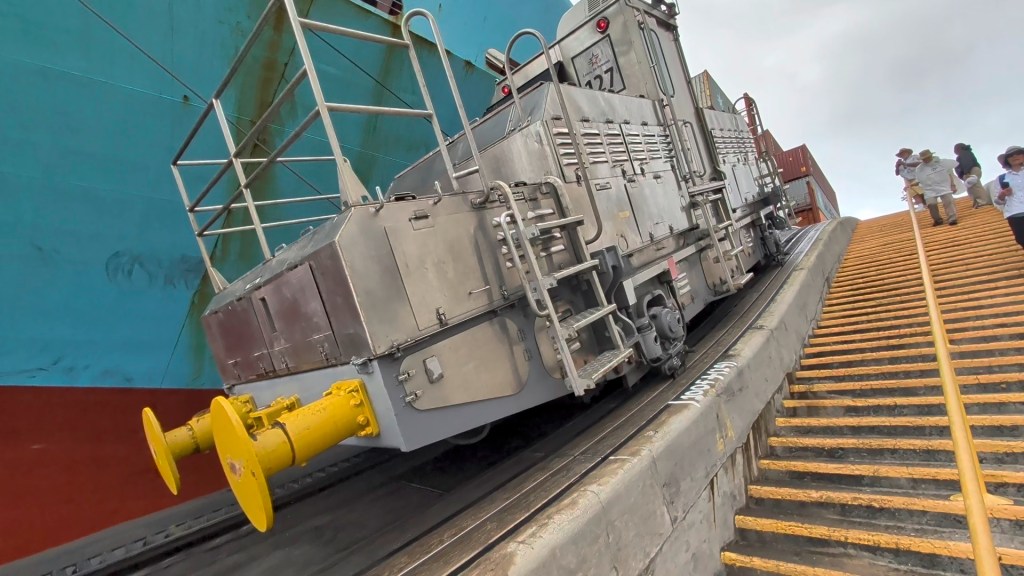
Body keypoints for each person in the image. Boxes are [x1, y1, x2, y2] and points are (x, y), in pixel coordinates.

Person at [915, 149, 959, 226]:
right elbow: (918, 180)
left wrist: (952, 185)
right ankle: (937, 220)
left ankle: (952, 218)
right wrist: (910, 185)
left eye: (927, 157)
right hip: (930, 189)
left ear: (931, 156)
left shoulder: (941, 163)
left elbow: (949, 174)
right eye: (923, 159)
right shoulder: (919, 169)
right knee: (931, 204)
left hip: (944, 186)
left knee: (948, 202)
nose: (925, 160)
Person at [993, 146, 1024, 249]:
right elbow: (997, 201)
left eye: (1018, 153)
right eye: (1010, 155)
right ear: (1007, 160)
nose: (1014, 156)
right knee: (1021, 239)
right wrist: (1002, 195)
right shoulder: (1001, 178)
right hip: (1015, 213)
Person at [953, 143, 992, 207]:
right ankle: (978, 202)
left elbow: (967, 162)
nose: (954, 151)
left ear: (959, 148)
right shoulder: (967, 153)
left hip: (970, 171)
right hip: (971, 170)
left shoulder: (963, 153)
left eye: (955, 149)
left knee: (975, 187)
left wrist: (966, 172)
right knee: (972, 187)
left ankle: (983, 202)